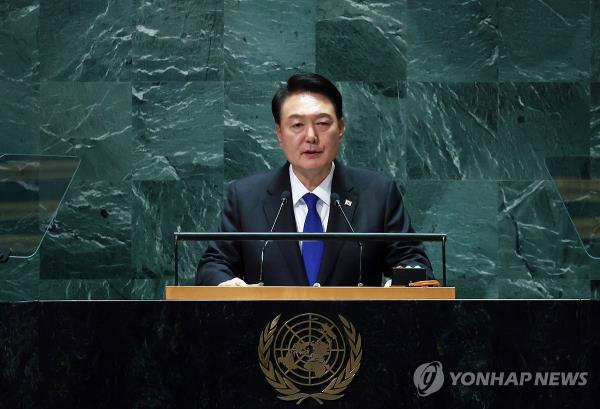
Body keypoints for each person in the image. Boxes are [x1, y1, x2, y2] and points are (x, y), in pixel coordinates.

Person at [196, 73, 432, 286]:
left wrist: (404, 283)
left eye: (322, 123)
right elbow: (214, 265)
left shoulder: (378, 194)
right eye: (297, 125)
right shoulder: (245, 197)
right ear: (279, 134)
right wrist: (225, 285)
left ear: (340, 128)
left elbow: (412, 260)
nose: (310, 136)